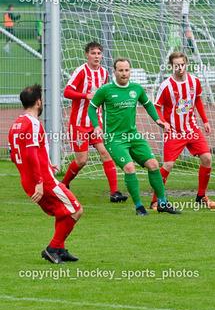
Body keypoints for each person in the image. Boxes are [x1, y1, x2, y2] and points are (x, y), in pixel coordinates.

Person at [88, 57, 181, 216]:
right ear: (114, 72)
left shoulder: (136, 88)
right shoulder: (105, 90)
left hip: (133, 136)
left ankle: (162, 203)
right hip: (114, 138)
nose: (124, 73)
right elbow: (92, 108)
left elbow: (148, 104)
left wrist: (159, 121)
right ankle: (139, 206)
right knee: (129, 168)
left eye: (127, 70)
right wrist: (97, 126)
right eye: (121, 70)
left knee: (153, 164)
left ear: (130, 71)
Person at [9, 84, 83, 264]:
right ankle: (52, 249)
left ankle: (60, 249)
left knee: (62, 211)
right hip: (42, 181)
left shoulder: (15, 124)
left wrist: (47, 165)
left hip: (30, 179)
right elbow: (30, 154)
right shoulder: (33, 124)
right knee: (76, 210)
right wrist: (40, 180)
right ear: (38, 102)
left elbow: (14, 155)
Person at [150, 52, 215, 210]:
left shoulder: (194, 81)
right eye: (176, 65)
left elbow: (198, 100)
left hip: (191, 129)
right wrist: (162, 123)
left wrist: (205, 121)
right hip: (173, 131)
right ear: (171, 66)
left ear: (186, 64)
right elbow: (156, 107)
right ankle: (156, 200)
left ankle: (201, 196)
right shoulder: (166, 85)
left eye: (182, 64)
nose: (179, 68)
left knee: (207, 158)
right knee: (168, 165)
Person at [61, 42, 125, 203]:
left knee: (106, 152)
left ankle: (115, 192)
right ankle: (64, 183)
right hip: (79, 123)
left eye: (98, 53)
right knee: (82, 160)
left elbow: (104, 95)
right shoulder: (80, 71)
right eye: (93, 53)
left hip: (96, 123)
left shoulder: (103, 73)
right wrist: (86, 95)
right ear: (86, 55)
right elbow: (67, 92)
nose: (96, 56)